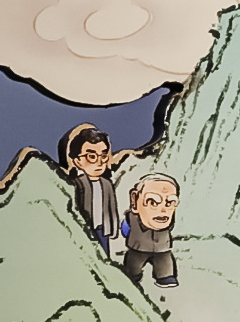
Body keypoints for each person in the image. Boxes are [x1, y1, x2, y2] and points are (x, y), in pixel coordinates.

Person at [60, 124, 124, 254]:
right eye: (92, 157)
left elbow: (111, 207)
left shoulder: (106, 184)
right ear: (77, 160)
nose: (99, 163)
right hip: (83, 229)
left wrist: (113, 228)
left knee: (104, 255)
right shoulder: (76, 184)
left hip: (102, 228)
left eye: (103, 156)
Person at [120, 172, 180, 290]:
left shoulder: (167, 221)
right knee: (133, 264)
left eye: (169, 203)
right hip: (138, 247)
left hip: (162, 248)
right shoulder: (131, 218)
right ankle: (132, 275)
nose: (162, 210)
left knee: (164, 262)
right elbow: (125, 228)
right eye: (153, 203)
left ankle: (165, 276)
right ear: (135, 200)